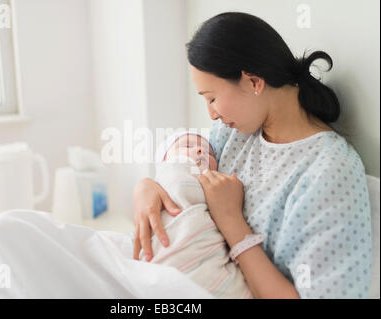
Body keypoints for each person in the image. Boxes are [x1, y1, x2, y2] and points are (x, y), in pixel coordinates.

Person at [132, 12, 372, 299]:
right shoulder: (235, 133)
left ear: (253, 82)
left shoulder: (329, 173)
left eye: (212, 98)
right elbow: (187, 171)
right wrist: (148, 187)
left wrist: (231, 220)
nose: (212, 113)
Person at [133, 131, 252, 298]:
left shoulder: (221, 188)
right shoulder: (168, 174)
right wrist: (145, 184)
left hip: (208, 263)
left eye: (209, 153)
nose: (200, 151)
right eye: (187, 146)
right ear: (164, 161)